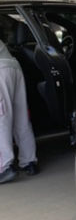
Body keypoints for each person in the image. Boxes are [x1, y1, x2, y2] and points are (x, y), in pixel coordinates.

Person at [0, 37, 38, 184]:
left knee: (2, 120)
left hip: (1, 72)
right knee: (21, 118)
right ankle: (29, 162)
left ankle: (4, 167)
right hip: (13, 67)